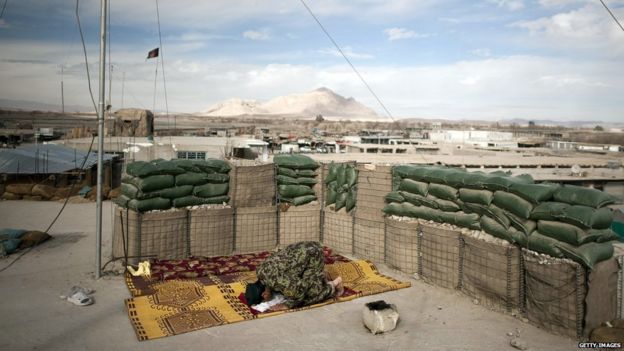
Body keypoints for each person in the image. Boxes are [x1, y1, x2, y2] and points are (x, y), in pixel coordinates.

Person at [245, 241, 344, 311]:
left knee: (311, 295)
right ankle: (319, 276)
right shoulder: (260, 271)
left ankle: (334, 284)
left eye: (264, 301)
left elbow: (301, 290)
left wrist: (287, 305)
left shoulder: (275, 281)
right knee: (292, 284)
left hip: (313, 254)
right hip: (301, 247)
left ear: (264, 295)